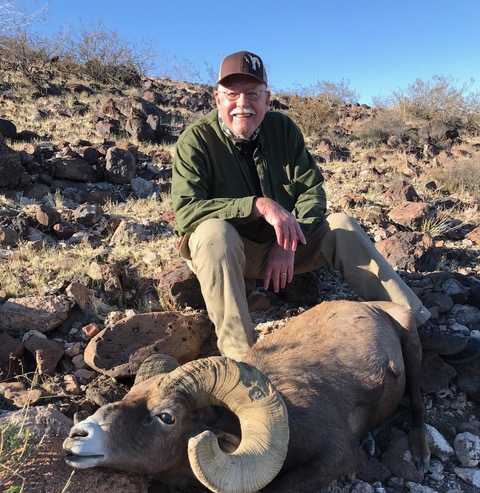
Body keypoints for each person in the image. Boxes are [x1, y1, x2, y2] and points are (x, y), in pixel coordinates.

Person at [172, 50, 479, 363]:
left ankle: (415, 326)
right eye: (232, 95)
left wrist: (288, 242)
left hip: (285, 252)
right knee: (213, 233)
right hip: (229, 256)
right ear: (217, 98)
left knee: (342, 226)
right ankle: (243, 363)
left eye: (253, 94)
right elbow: (187, 211)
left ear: (267, 98)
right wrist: (258, 205)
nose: (242, 105)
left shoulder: (283, 130)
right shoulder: (195, 141)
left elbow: (312, 191)